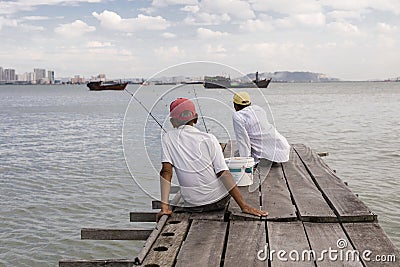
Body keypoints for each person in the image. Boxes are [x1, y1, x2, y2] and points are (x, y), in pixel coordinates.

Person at [157, 97, 267, 221]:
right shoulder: (209, 139)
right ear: (196, 118)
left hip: (192, 204)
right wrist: (244, 206)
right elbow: (223, 173)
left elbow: (166, 172)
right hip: (216, 202)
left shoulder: (167, 138)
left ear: (173, 121)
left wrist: (164, 208)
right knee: (227, 170)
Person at [232, 91, 290, 165]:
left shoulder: (238, 116)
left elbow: (243, 140)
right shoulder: (259, 109)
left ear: (235, 105)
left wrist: (246, 162)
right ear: (249, 103)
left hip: (266, 155)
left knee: (237, 156)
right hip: (283, 149)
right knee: (238, 154)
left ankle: (265, 160)